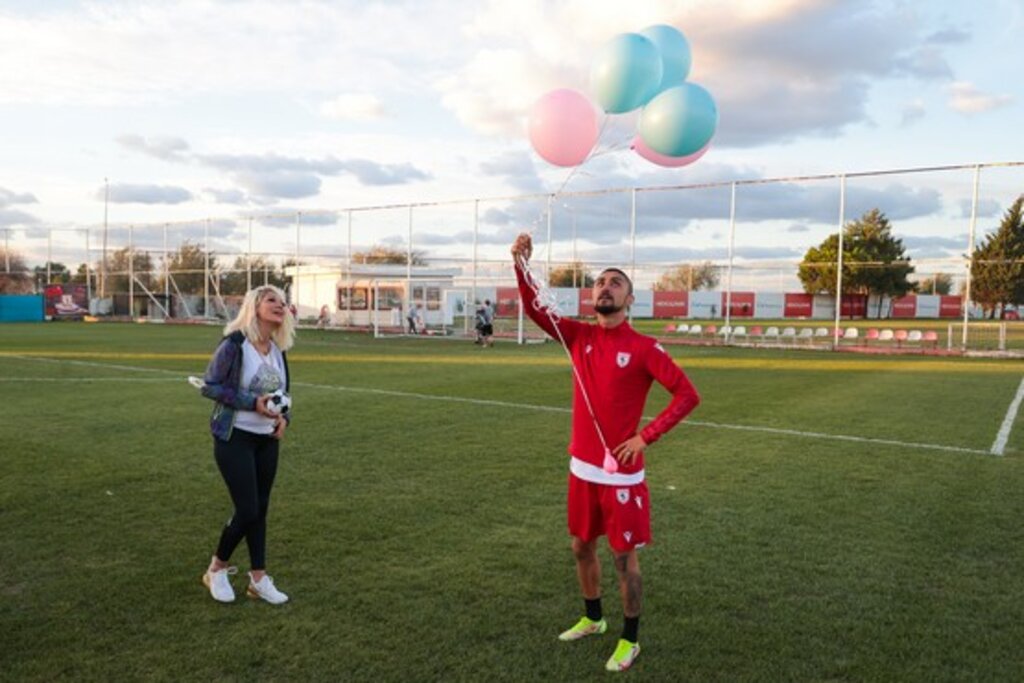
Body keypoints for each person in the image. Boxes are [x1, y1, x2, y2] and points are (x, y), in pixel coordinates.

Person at [511, 233, 701, 672]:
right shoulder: (578, 337)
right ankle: (593, 618)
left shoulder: (644, 348)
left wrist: (644, 437)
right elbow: (536, 309)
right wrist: (520, 264)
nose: (605, 287)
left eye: (615, 283)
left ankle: (629, 639)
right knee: (581, 546)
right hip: (581, 469)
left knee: (622, 557)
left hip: (622, 477)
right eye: (599, 282)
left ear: (630, 299)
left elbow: (687, 395)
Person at [197, 285, 295, 605]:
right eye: (272, 301)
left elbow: (283, 396)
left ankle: (258, 579)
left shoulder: (278, 349)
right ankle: (217, 568)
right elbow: (210, 387)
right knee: (248, 508)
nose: (280, 305)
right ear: (254, 306)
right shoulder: (235, 344)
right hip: (234, 436)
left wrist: (284, 419)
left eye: (283, 302)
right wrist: (252, 403)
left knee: (261, 509)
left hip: (266, 439)